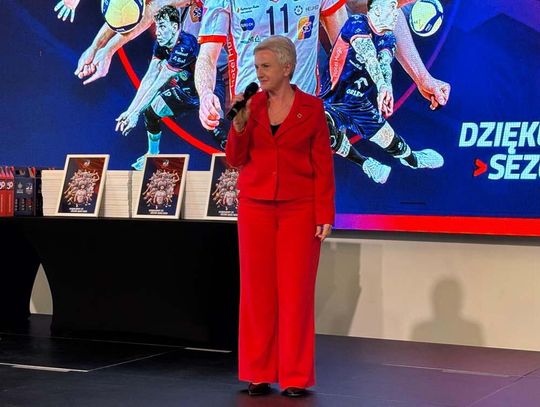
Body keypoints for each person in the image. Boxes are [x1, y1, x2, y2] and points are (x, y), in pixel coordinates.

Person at [225, 36, 335, 397]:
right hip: (255, 207)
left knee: (295, 293)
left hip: (299, 209)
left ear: (287, 68)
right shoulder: (251, 106)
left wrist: (324, 213)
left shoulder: (312, 108)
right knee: (256, 292)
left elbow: (323, 164)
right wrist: (238, 124)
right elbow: (234, 159)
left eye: (266, 66)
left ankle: (295, 376)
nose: (259, 73)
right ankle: (258, 372)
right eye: (257, 67)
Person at [320, 0, 444, 183]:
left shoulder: (388, 37)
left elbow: (384, 62)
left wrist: (416, 79)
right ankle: (364, 163)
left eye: (395, 8)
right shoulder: (356, 26)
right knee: (327, 132)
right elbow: (369, 56)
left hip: (355, 98)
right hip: (330, 91)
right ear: (376, 11)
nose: (395, 13)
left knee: (388, 139)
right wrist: (382, 85)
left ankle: (413, 160)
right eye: (391, 9)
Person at [115, 6, 226, 169]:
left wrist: (135, 113)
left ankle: (236, 159)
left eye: (162, 27)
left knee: (217, 127)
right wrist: (130, 111)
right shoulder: (161, 44)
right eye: (157, 26)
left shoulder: (185, 45)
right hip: (185, 93)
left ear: (174, 27)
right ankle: (152, 155)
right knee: (151, 113)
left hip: (208, 92)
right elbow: (149, 78)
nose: (157, 32)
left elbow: (158, 83)